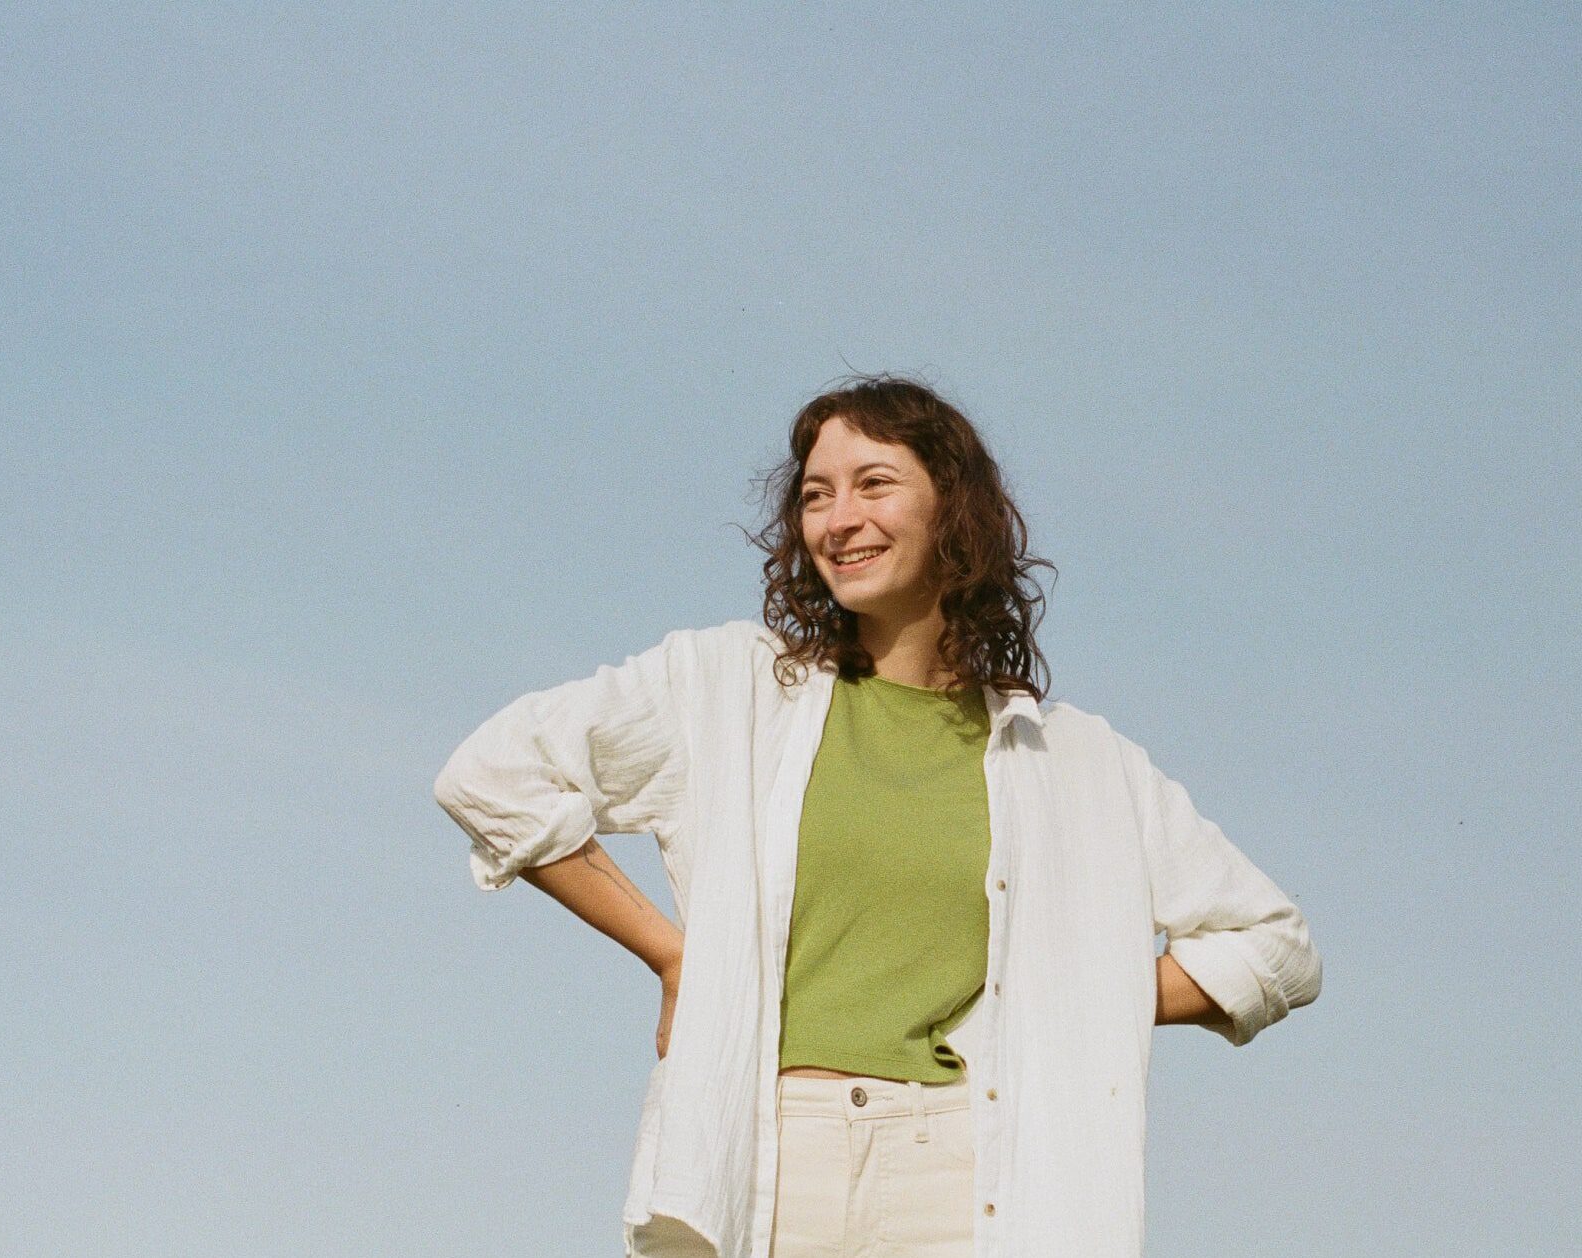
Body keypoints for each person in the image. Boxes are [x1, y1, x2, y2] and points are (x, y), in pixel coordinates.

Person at [432, 373, 1322, 1258]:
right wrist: (673, 956)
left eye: (873, 484)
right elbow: (492, 775)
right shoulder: (731, 686)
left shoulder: (1079, 763)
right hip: (765, 1164)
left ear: (954, 512)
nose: (838, 519)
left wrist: (1074, 992)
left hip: (962, 1177)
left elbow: (1273, 946)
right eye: (816, 496)